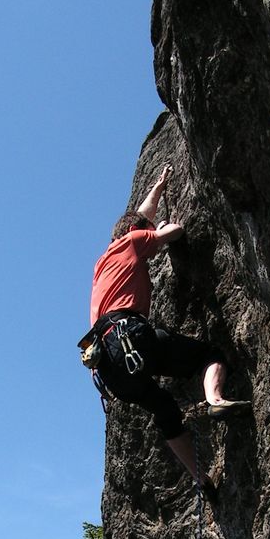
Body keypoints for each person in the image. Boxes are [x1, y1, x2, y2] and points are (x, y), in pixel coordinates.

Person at [87, 165, 249, 492]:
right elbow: (172, 231)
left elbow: (138, 218)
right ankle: (214, 398)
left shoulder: (105, 259)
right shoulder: (134, 240)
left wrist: (159, 187)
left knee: (164, 411)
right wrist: (162, 228)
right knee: (210, 355)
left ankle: (199, 479)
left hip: (107, 365)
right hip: (129, 335)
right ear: (136, 231)